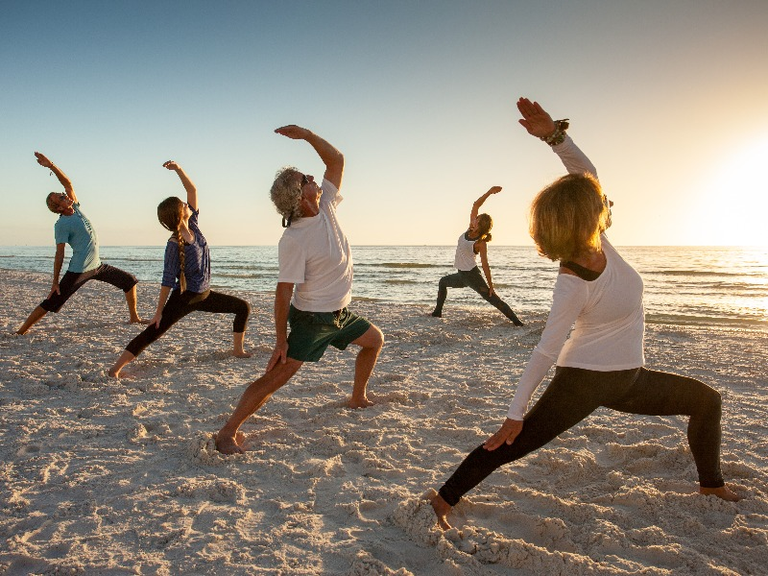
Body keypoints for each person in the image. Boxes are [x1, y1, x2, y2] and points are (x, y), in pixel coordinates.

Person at [430, 97, 740, 530]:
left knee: (706, 401)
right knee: (513, 443)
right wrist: (515, 411)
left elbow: (586, 174)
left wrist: (554, 137)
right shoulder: (572, 282)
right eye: (602, 203)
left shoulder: (600, 244)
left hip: (630, 378)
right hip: (583, 380)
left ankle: (711, 484)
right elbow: (545, 349)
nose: (609, 203)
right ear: (586, 218)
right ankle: (441, 500)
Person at [215, 125, 384, 455]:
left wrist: (307, 135)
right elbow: (283, 293)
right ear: (300, 196)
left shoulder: (327, 205)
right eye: (306, 178)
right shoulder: (293, 239)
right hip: (312, 319)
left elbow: (336, 159)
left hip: (339, 313)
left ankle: (358, 396)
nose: (313, 178)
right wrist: (281, 340)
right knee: (278, 377)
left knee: (374, 341)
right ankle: (227, 431)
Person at [108, 161, 252, 378]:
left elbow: (192, 190)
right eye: (183, 205)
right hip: (184, 298)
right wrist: (158, 312)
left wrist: (178, 170)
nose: (187, 204)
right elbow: (167, 280)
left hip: (204, 294)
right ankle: (115, 370)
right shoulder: (174, 245)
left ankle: (238, 350)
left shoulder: (193, 224)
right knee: (153, 332)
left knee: (243, 307)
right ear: (178, 214)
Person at [17, 152, 144, 335]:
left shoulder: (75, 208)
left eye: (61, 194)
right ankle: (21, 330)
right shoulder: (61, 224)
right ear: (58, 208)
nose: (63, 195)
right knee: (52, 302)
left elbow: (67, 183)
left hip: (97, 266)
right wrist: (55, 282)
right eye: (59, 198)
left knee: (129, 281)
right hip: (79, 270)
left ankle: (134, 317)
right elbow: (59, 254)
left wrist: (51, 165)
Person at [431, 186, 524, 325]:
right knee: (443, 282)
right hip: (461, 275)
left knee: (493, 300)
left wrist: (491, 285)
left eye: (477, 219)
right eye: (475, 218)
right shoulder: (469, 229)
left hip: (472, 276)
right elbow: (476, 204)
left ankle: (517, 322)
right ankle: (437, 313)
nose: (474, 219)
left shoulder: (480, 243)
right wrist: (489, 192)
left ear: (480, 226)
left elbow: (485, 264)